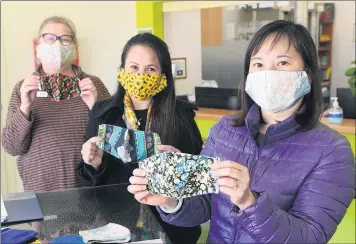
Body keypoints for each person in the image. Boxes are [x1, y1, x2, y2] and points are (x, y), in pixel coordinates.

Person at [128, 20, 355, 243]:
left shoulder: (332, 152)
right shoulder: (225, 130)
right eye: (258, 64)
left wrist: (250, 203)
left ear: (308, 76)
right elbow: (204, 206)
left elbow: (310, 236)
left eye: (282, 63)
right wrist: (171, 201)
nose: (268, 74)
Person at [77, 33, 203, 244]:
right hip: (117, 229)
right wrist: (93, 165)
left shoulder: (181, 116)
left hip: (171, 230)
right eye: (134, 67)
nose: (141, 76)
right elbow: (88, 189)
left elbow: (197, 182)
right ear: (122, 71)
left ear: (163, 76)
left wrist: (178, 165)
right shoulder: (103, 114)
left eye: (150, 69)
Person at [2, 16, 111, 192]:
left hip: (90, 189)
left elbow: (115, 140)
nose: (58, 45)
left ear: (74, 45)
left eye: (65, 39)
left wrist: (95, 107)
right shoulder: (22, 88)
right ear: (38, 44)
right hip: (42, 194)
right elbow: (12, 147)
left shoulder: (94, 84)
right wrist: (25, 108)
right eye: (50, 38)